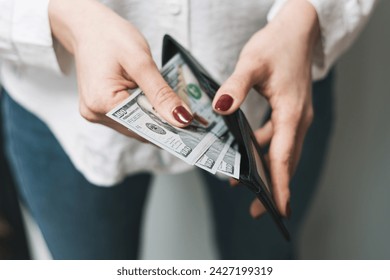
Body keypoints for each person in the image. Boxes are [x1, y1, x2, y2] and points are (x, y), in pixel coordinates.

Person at [0, 0, 377, 259]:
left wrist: (308, 14)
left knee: (265, 261)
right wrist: (64, 16)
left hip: (279, 80)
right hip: (60, 100)